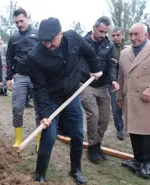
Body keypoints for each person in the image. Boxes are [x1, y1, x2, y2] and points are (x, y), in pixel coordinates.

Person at [27, 17, 102, 184]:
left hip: (72, 94)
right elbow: (39, 89)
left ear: (60, 33)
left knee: (77, 134)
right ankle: (40, 175)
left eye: (50, 41)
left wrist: (96, 68)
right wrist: (44, 113)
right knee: (49, 135)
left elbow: (88, 51)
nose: (47, 45)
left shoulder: (73, 39)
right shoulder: (35, 57)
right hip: (52, 98)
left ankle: (75, 170)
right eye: (43, 42)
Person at [79, 16, 119, 163]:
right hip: (86, 84)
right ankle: (91, 147)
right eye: (101, 31)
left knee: (105, 117)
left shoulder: (108, 45)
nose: (103, 35)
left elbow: (111, 65)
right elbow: (78, 62)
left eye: (106, 32)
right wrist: (87, 73)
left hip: (103, 86)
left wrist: (113, 80)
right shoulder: (83, 42)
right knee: (93, 115)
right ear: (94, 28)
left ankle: (98, 145)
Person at [117, 23, 150, 179]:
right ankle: (138, 160)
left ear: (146, 35)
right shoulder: (124, 53)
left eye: (137, 34)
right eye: (131, 34)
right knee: (134, 131)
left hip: (147, 100)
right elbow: (121, 77)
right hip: (130, 98)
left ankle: (148, 163)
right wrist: (119, 96)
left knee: (147, 132)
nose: (133, 38)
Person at [5, 8, 40, 148]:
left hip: (37, 77)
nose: (19, 24)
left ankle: (40, 140)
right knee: (17, 109)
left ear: (27, 18)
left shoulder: (38, 34)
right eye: (16, 22)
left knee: (40, 109)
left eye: (21, 21)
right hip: (20, 77)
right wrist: (8, 78)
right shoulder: (13, 38)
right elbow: (9, 59)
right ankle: (18, 139)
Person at [111, 27, 126, 140]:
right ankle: (120, 129)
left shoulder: (129, 47)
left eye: (117, 35)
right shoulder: (109, 48)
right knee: (116, 106)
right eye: (113, 35)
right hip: (115, 81)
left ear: (123, 36)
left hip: (129, 80)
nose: (115, 37)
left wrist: (119, 62)